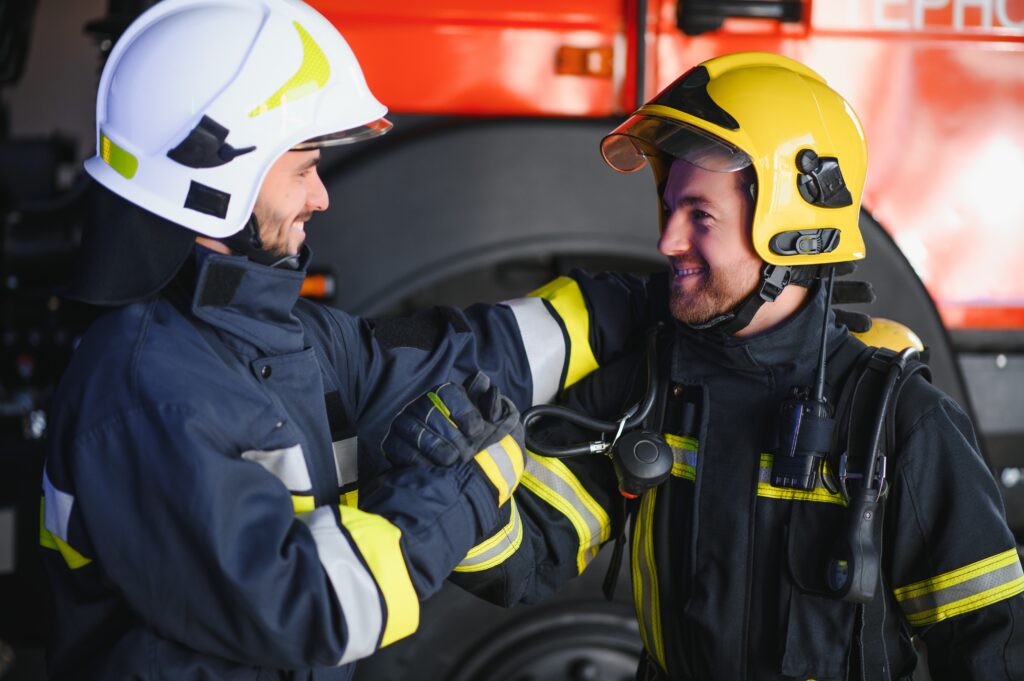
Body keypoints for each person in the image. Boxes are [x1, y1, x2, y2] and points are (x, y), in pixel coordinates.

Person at [38, 1, 662, 678]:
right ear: (215, 176)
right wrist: (463, 488)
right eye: (303, 167)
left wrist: (651, 306)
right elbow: (312, 608)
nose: (321, 197)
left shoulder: (276, 334)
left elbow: (452, 359)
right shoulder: (147, 393)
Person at [449, 52, 1024, 680]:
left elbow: (990, 651)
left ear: (797, 232)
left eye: (700, 216)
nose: (668, 241)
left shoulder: (902, 426)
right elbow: (526, 559)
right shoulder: (643, 389)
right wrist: (453, 474)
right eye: (670, 210)